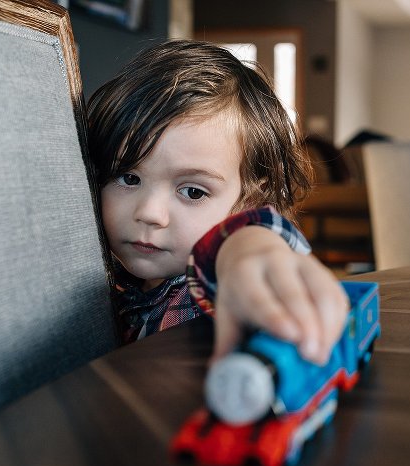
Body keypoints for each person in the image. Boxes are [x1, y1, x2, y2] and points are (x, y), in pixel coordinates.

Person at [86, 39, 348, 365]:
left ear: (249, 201)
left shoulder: (216, 288)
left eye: (193, 192)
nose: (150, 213)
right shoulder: (108, 276)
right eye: (128, 178)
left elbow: (245, 243)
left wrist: (251, 248)